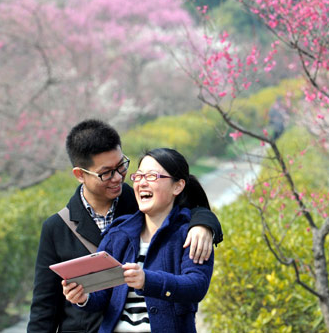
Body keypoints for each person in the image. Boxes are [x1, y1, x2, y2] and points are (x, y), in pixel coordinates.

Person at [28, 120, 222, 333]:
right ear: (80, 174)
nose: (119, 177)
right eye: (106, 172)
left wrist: (204, 224)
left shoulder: (137, 203)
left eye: (122, 166)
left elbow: (183, 207)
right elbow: (44, 308)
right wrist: (82, 297)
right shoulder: (60, 228)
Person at [63, 148, 214, 333]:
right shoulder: (117, 234)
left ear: (178, 186)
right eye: (138, 176)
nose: (142, 183)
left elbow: (196, 286)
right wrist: (83, 296)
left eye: (151, 176)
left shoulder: (191, 234)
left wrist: (147, 280)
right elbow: (102, 295)